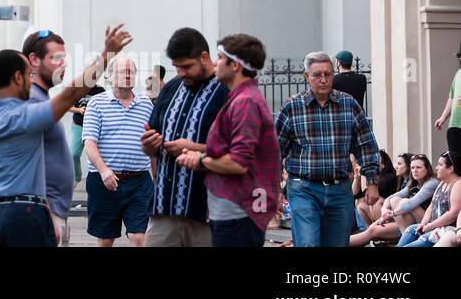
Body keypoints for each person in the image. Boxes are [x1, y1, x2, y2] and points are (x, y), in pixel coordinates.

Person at [0, 24, 133, 247]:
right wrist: (107, 55)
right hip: (26, 212)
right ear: (18, 77)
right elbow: (72, 92)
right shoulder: (27, 116)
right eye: (28, 75)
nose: (30, 80)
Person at [173, 34, 281, 247]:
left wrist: (200, 159)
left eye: (221, 58)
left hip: (238, 215)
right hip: (233, 214)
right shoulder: (240, 98)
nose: (215, 63)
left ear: (235, 65)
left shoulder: (245, 102)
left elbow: (238, 163)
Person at [274, 50, 380, 247]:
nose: (323, 80)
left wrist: (371, 181)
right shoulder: (292, 107)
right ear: (307, 76)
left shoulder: (349, 105)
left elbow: (366, 144)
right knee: (308, 244)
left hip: (339, 190)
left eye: (328, 74)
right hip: (303, 188)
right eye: (317, 75)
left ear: (333, 74)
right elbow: (274, 152)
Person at [142, 27, 228, 247]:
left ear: (205, 57)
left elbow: (241, 152)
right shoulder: (170, 88)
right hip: (164, 209)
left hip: (207, 212)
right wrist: (148, 146)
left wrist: (195, 148)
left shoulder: (227, 92)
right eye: (176, 67)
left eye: (186, 66)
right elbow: (152, 137)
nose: (181, 73)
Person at [82, 55, 154, 247]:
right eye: (123, 71)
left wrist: (156, 178)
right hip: (104, 181)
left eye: (131, 72)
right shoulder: (96, 104)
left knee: (139, 237)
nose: (128, 76)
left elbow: (154, 144)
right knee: (106, 239)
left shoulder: (146, 104)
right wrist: (104, 171)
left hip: (139, 181)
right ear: (110, 76)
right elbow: (89, 144)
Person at [24, 31, 78, 246]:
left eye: (64, 58)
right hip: (44, 210)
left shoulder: (41, 98)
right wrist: (48, 215)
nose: (63, 64)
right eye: (56, 58)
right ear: (34, 60)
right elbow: (28, 165)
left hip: (55, 210)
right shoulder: (31, 100)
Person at [398, 152, 460, 247]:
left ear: (450, 169)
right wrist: (423, 224)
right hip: (434, 227)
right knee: (411, 230)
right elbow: (432, 205)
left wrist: (431, 225)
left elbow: (454, 213)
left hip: (444, 230)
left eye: (440, 165)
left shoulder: (457, 184)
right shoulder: (442, 183)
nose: (436, 168)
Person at [434, 43, 461, 158]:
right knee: (455, 162)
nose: (460, 58)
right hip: (454, 126)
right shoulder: (459, 73)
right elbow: (452, 97)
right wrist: (443, 117)